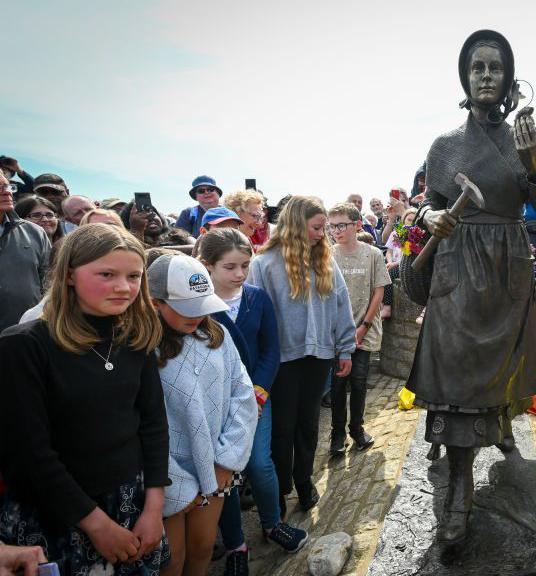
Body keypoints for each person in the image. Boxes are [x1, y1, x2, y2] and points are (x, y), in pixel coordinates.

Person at [410, 29, 536, 546]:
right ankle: (459, 490)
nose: (485, 76)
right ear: (464, 77)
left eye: (494, 68)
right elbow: (421, 206)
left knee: (502, 366)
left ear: (508, 80)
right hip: (457, 266)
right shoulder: (445, 145)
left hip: (506, 265)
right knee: (455, 376)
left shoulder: (523, 138)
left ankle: (500, 425)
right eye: (476, 68)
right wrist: (432, 215)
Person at [0, 224, 170, 575]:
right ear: (70, 275)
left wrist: (154, 508)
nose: (124, 287)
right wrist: (96, 524)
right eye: (106, 274)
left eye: (134, 276)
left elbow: (153, 424)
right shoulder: (23, 345)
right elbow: (29, 452)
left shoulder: (134, 339)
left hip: (131, 504)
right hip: (56, 512)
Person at [193, 230, 308, 574]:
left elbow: (271, 349)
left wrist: (258, 392)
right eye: (230, 267)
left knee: (260, 463)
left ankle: (272, 523)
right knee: (224, 472)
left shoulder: (257, 298)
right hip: (213, 403)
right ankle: (235, 543)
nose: (240, 274)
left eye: (245, 265)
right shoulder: (197, 305)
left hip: (256, 398)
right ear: (206, 266)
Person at [146, 254, 256, 576]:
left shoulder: (217, 336)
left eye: (202, 305)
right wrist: (180, 485)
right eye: (185, 308)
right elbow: (142, 425)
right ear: (155, 302)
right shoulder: (142, 349)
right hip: (167, 478)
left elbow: (242, 393)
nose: (197, 316)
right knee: (171, 560)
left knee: (202, 548)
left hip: (216, 469)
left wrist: (226, 459)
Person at [248, 196, 356, 513]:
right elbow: (256, 318)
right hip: (280, 360)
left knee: (308, 424)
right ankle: (280, 488)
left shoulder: (325, 260)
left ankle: (305, 480)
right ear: (296, 225)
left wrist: (345, 347)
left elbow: (341, 305)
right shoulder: (263, 264)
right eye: (317, 227)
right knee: (282, 427)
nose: (323, 234)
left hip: (319, 356)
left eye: (324, 227)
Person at [326, 203, 391, 454]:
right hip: (337, 332)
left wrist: (364, 325)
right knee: (338, 384)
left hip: (365, 327)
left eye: (342, 225)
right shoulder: (328, 254)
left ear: (356, 225)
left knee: (360, 381)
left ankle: (357, 428)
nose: (336, 231)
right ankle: (337, 433)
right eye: (333, 226)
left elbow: (379, 290)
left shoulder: (372, 254)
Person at [381, 208, 417, 318]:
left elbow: (408, 256)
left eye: (413, 220)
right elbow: (389, 251)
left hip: (406, 265)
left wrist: (394, 264)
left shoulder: (415, 235)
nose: (410, 222)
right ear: (404, 219)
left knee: (389, 274)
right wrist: (390, 261)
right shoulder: (395, 233)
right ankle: (379, 304)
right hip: (393, 262)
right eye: (409, 219)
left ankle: (387, 307)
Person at [121, 200, 195, 250]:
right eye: (143, 216)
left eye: (153, 214)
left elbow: (197, 247)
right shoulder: (127, 243)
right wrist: (137, 231)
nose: (150, 219)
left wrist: (159, 249)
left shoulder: (177, 233)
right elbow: (138, 255)